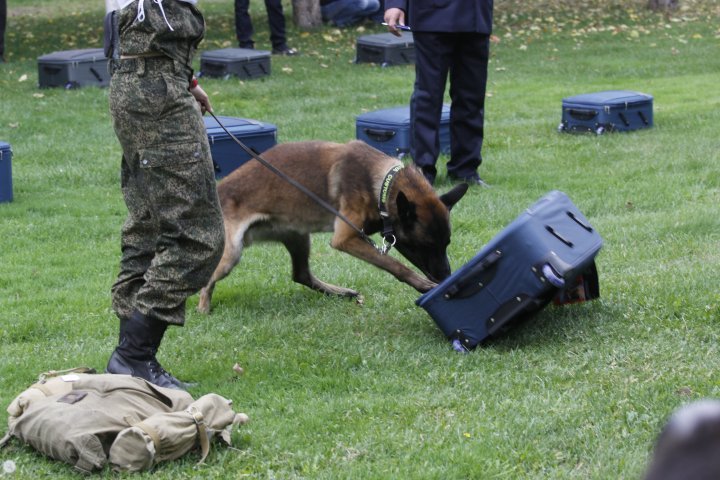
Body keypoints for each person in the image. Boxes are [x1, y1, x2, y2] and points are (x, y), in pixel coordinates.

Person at [104, 0, 225, 390]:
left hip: (144, 81)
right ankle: (134, 356)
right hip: (155, 92)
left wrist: (187, 81)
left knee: (150, 225)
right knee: (198, 236)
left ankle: (132, 357)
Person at [383, 0, 493, 186]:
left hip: (476, 16)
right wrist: (395, 4)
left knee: (471, 97)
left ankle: (465, 170)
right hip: (432, 15)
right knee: (428, 97)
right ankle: (422, 172)